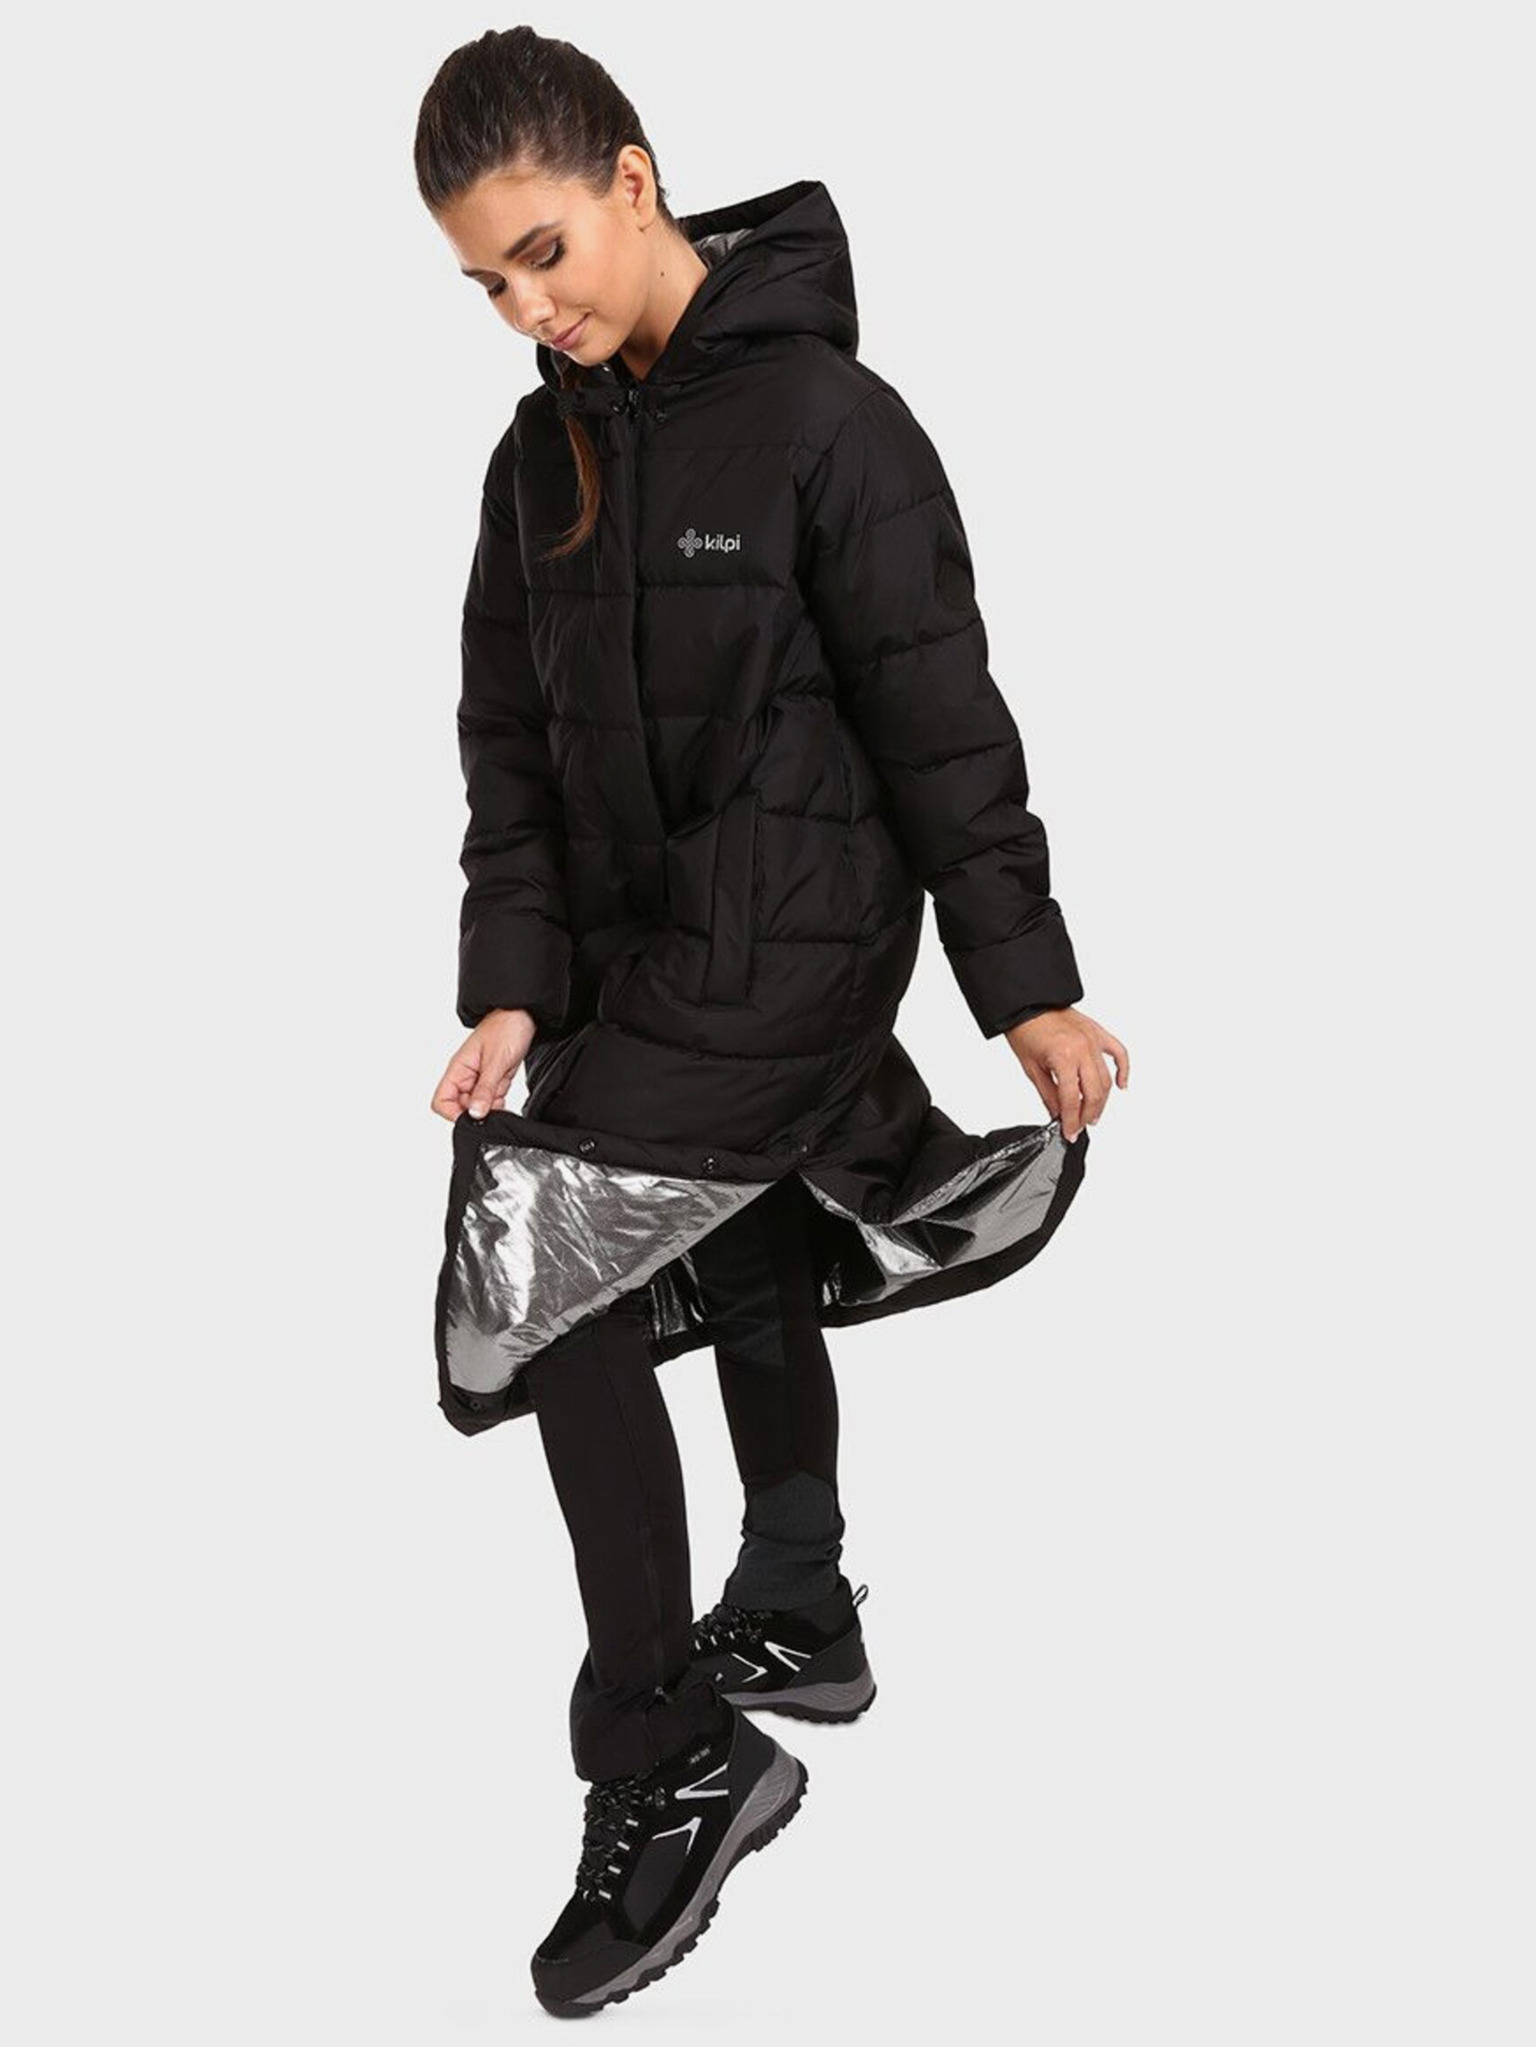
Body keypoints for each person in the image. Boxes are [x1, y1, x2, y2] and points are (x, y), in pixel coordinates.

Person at [415, 26, 1128, 2018]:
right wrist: (512, 983)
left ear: (634, 183)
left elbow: (939, 715)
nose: (526, 310)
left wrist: (1026, 983)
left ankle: (666, 1751)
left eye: (543, 252)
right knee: (712, 1226)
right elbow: (508, 757)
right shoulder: (535, 460)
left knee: (549, 1271)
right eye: (483, 283)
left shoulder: (832, 423)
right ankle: (799, 1596)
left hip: (801, 943)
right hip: (638, 961)